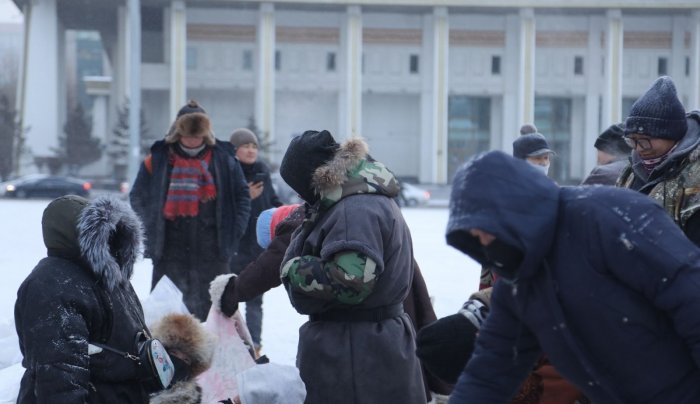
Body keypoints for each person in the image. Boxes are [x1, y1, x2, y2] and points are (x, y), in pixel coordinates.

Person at [445, 150, 700, 403]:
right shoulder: (518, 283)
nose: (484, 244)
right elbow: (491, 369)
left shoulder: (607, 217)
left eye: (486, 231)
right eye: (475, 239)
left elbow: (691, 295)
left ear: (510, 211)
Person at [211, 203, 451, 402]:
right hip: (398, 321)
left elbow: (269, 265)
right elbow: (422, 303)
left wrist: (232, 291)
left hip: (364, 328)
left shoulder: (298, 223)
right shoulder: (327, 211)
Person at [277, 130, 425, 403]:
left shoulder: (354, 210)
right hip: (371, 348)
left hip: (356, 353)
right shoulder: (362, 199)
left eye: (298, 186)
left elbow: (350, 282)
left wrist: (294, 269)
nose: (299, 195)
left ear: (312, 179)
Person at [15, 195, 155, 402]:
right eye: (104, 233)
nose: (114, 240)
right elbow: (59, 378)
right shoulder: (52, 286)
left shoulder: (110, 276)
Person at [130, 100, 251, 320]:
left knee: (216, 318)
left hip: (214, 254)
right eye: (188, 135)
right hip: (169, 253)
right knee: (166, 317)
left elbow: (242, 197)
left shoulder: (223, 159)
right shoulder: (157, 159)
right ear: (178, 133)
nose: (193, 141)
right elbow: (137, 196)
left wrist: (234, 232)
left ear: (206, 134)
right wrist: (150, 226)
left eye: (198, 136)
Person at [616, 76, 700, 246]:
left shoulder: (695, 175)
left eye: (645, 140)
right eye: (632, 140)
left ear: (672, 136)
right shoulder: (630, 171)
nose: (639, 148)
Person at [228, 127, 282, 355]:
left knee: (255, 300)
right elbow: (221, 210)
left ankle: (254, 347)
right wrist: (245, 198)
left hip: (257, 248)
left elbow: (271, 200)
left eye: (254, 146)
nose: (251, 151)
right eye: (246, 146)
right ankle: (230, 347)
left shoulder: (262, 170)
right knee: (228, 301)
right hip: (233, 249)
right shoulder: (228, 172)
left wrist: (285, 214)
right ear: (235, 150)